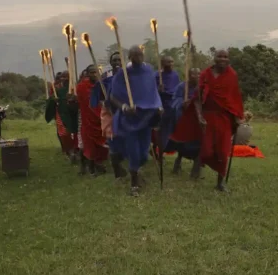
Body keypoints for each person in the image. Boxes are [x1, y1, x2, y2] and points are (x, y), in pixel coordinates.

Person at [110, 46, 162, 196]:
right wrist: (125, 107)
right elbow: (113, 97)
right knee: (134, 152)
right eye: (134, 56)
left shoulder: (149, 70)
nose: (138, 58)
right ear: (130, 58)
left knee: (144, 155)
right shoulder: (123, 74)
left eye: (140, 55)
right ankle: (134, 184)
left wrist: (158, 106)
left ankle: (134, 169)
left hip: (145, 118)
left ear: (143, 55)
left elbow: (153, 92)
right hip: (129, 120)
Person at [196, 49, 244, 192]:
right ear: (214, 58)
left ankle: (220, 182)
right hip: (208, 117)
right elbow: (197, 98)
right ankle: (201, 165)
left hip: (224, 118)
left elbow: (234, 98)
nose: (222, 59)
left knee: (223, 152)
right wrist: (199, 116)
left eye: (225, 57)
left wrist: (237, 118)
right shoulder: (205, 74)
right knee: (206, 152)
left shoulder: (232, 75)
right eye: (220, 56)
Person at [167, 68, 203, 179]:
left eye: (198, 73)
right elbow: (174, 101)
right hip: (183, 119)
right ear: (188, 75)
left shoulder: (202, 88)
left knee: (200, 143)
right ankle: (178, 161)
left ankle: (196, 170)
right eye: (193, 73)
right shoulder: (182, 87)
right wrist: (182, 104)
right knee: (183, 144)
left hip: (198, 121)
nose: (196, 75)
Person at [76, 65, 109, 176]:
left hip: (100, 120)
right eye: (91, 72)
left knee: (102, 146)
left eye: (96, 72)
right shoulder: (81, 87)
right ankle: (90, 169)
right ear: (87, 74)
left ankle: (98, 164)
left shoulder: (103, 86)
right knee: (89, 146)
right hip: (87, 121)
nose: (94, 75)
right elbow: (77, 101)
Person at [44, 72, 79, 162]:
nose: (64, 79)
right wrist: (53, 100)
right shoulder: (58, 90)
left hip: (74, 115)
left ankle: (75, 151)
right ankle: (69, 150)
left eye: (66, 77)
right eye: (62, 77)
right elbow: (51, 100)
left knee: (75, 133)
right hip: (62, 114)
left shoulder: (75, 89)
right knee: (64, 133)